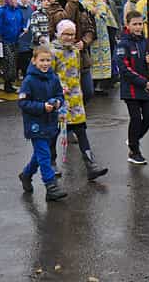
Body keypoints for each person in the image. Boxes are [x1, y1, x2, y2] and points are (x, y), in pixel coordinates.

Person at [51, 20, 108, 181]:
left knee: (81, 130)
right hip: (58, 99)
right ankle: (51, 163)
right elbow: (49, 75)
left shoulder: (76, 52)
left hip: (75, 98)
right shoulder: (52, 52)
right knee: (54, 131)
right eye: (65, 34)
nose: (69, 37)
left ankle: (91, 165)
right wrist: (58, 89)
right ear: (59, 34)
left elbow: (77, 74)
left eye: (72, 34)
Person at [17, 45, 68, 201]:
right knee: (45, 155)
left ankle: (26, 175)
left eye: (48, 60)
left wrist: (58, 103)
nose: (45, 64)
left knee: (39, 155)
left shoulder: (53, 78)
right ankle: (50, 186)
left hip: (51, 122)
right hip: (35, 124)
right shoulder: (29, 80)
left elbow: (60, 95)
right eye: (42, 60)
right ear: (34, 61)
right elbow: (23, 103)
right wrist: (41, 107)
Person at [116, 10, 149, 165]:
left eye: (140, 24)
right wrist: (142, 81)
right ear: (128, 25)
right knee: (135, 118)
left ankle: (133, 139)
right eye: (135, 24)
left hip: (145, 87)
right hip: (131, 89)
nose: (138, 27)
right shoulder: (123, 44)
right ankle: (134, 151)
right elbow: (124, 68)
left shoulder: (146, 42)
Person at [81, 0, 118, 95]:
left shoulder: (101, 2)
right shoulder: (83, 2)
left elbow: (110, 18)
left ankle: (100, 86)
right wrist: (90, 13)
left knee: (104, 60)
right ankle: (91, 85)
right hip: (91, 37)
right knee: (92, 60)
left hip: (103, 37)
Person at [0, 0, 24, 93]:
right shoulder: (2, 11)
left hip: (15, 40)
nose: (16, 2)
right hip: (5, 41)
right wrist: (0, 40)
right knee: (9, 62)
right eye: (13, 0)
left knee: (14, 62)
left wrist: (23, 28)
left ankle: (10, 83)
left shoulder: (18, 11)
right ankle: (7, 83)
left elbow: (20, 23)